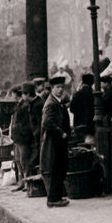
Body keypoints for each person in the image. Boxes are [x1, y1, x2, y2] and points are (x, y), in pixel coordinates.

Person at [40, 75, 71, 207]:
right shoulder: (51, 104)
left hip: (58, 141)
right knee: (55, 168)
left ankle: (57, 196)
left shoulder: (57, 102)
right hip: (53, 142)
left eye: (62, 87)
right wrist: (61, 133)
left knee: (59, 168)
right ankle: (53, 199)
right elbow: (47, 123)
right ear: (52, 88)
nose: (60, 90)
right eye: (57, 87)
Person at [9, 83, 34, 191]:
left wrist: (20, 132)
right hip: (17, 138)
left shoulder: (24, 106)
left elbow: (27, 124)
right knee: (18, 160)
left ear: (16, 94)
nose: (11, 96)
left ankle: (27, 183)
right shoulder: (19, 105)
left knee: (24, 161)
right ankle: (22, 182)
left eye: (12, 94)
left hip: (23, 139)